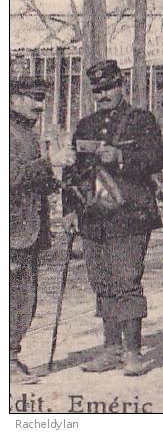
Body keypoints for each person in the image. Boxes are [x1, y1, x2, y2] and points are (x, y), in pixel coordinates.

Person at [62, 59, 163, 376]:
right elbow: (73, 170)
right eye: (98, 89)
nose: (104, 94)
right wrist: (68, 208)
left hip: (129, 215)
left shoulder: (141, 121)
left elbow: (156, 160)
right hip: (93, 216)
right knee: (102, 282)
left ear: (121, 85)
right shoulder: (86, 125)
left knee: (126, 282)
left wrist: (120, 156)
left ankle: (133, 352)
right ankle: (110, 349)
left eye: (109, 87)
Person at [10, 76, 61, 384]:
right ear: (13, 98)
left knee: (24, 296)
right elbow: (12, 176)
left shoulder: (25, 133)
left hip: (27, 229)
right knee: (15, 297)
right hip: (12, 231)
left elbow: (32, 178)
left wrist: (55, 180)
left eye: (42, 98)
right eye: (33, 97)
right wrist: (49, 162)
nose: (40, 105)